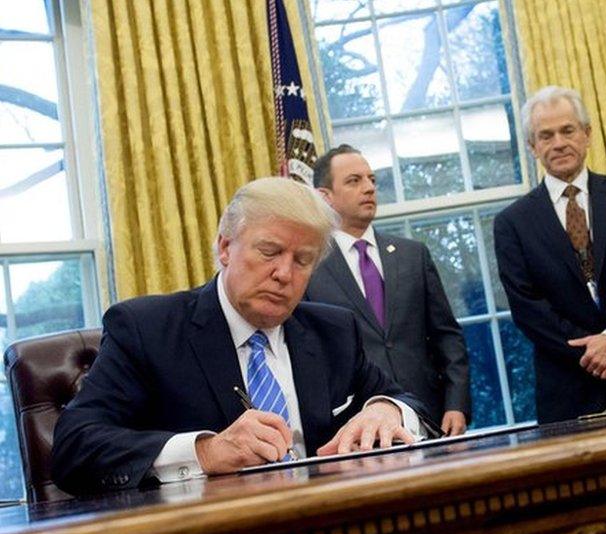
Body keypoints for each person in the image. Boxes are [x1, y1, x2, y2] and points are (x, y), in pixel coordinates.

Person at [52, 177, 429, 495]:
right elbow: (74, 447)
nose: (284, 273)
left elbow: (409, 401)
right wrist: (204, 452)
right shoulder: (147, 328)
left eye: (303, 261)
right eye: (270, 251)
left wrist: (386, 409)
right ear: (225, 247)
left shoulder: (333, 331)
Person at [494, 86, 606, 423]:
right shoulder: (512, 223)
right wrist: (598, 352)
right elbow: (528, 308)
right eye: (545, 136)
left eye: (568, 130)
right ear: (533, 147)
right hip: (567, 387)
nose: (559, 142)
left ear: (587, 134)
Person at [307, 145, 470, 435]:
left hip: (428, 417)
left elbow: (447, 336)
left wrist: (456, 403)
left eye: (371, 179)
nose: (369, 188)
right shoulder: (311, 269)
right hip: (355, 428)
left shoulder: (413, 255)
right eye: (354, 181)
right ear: (325, 197)